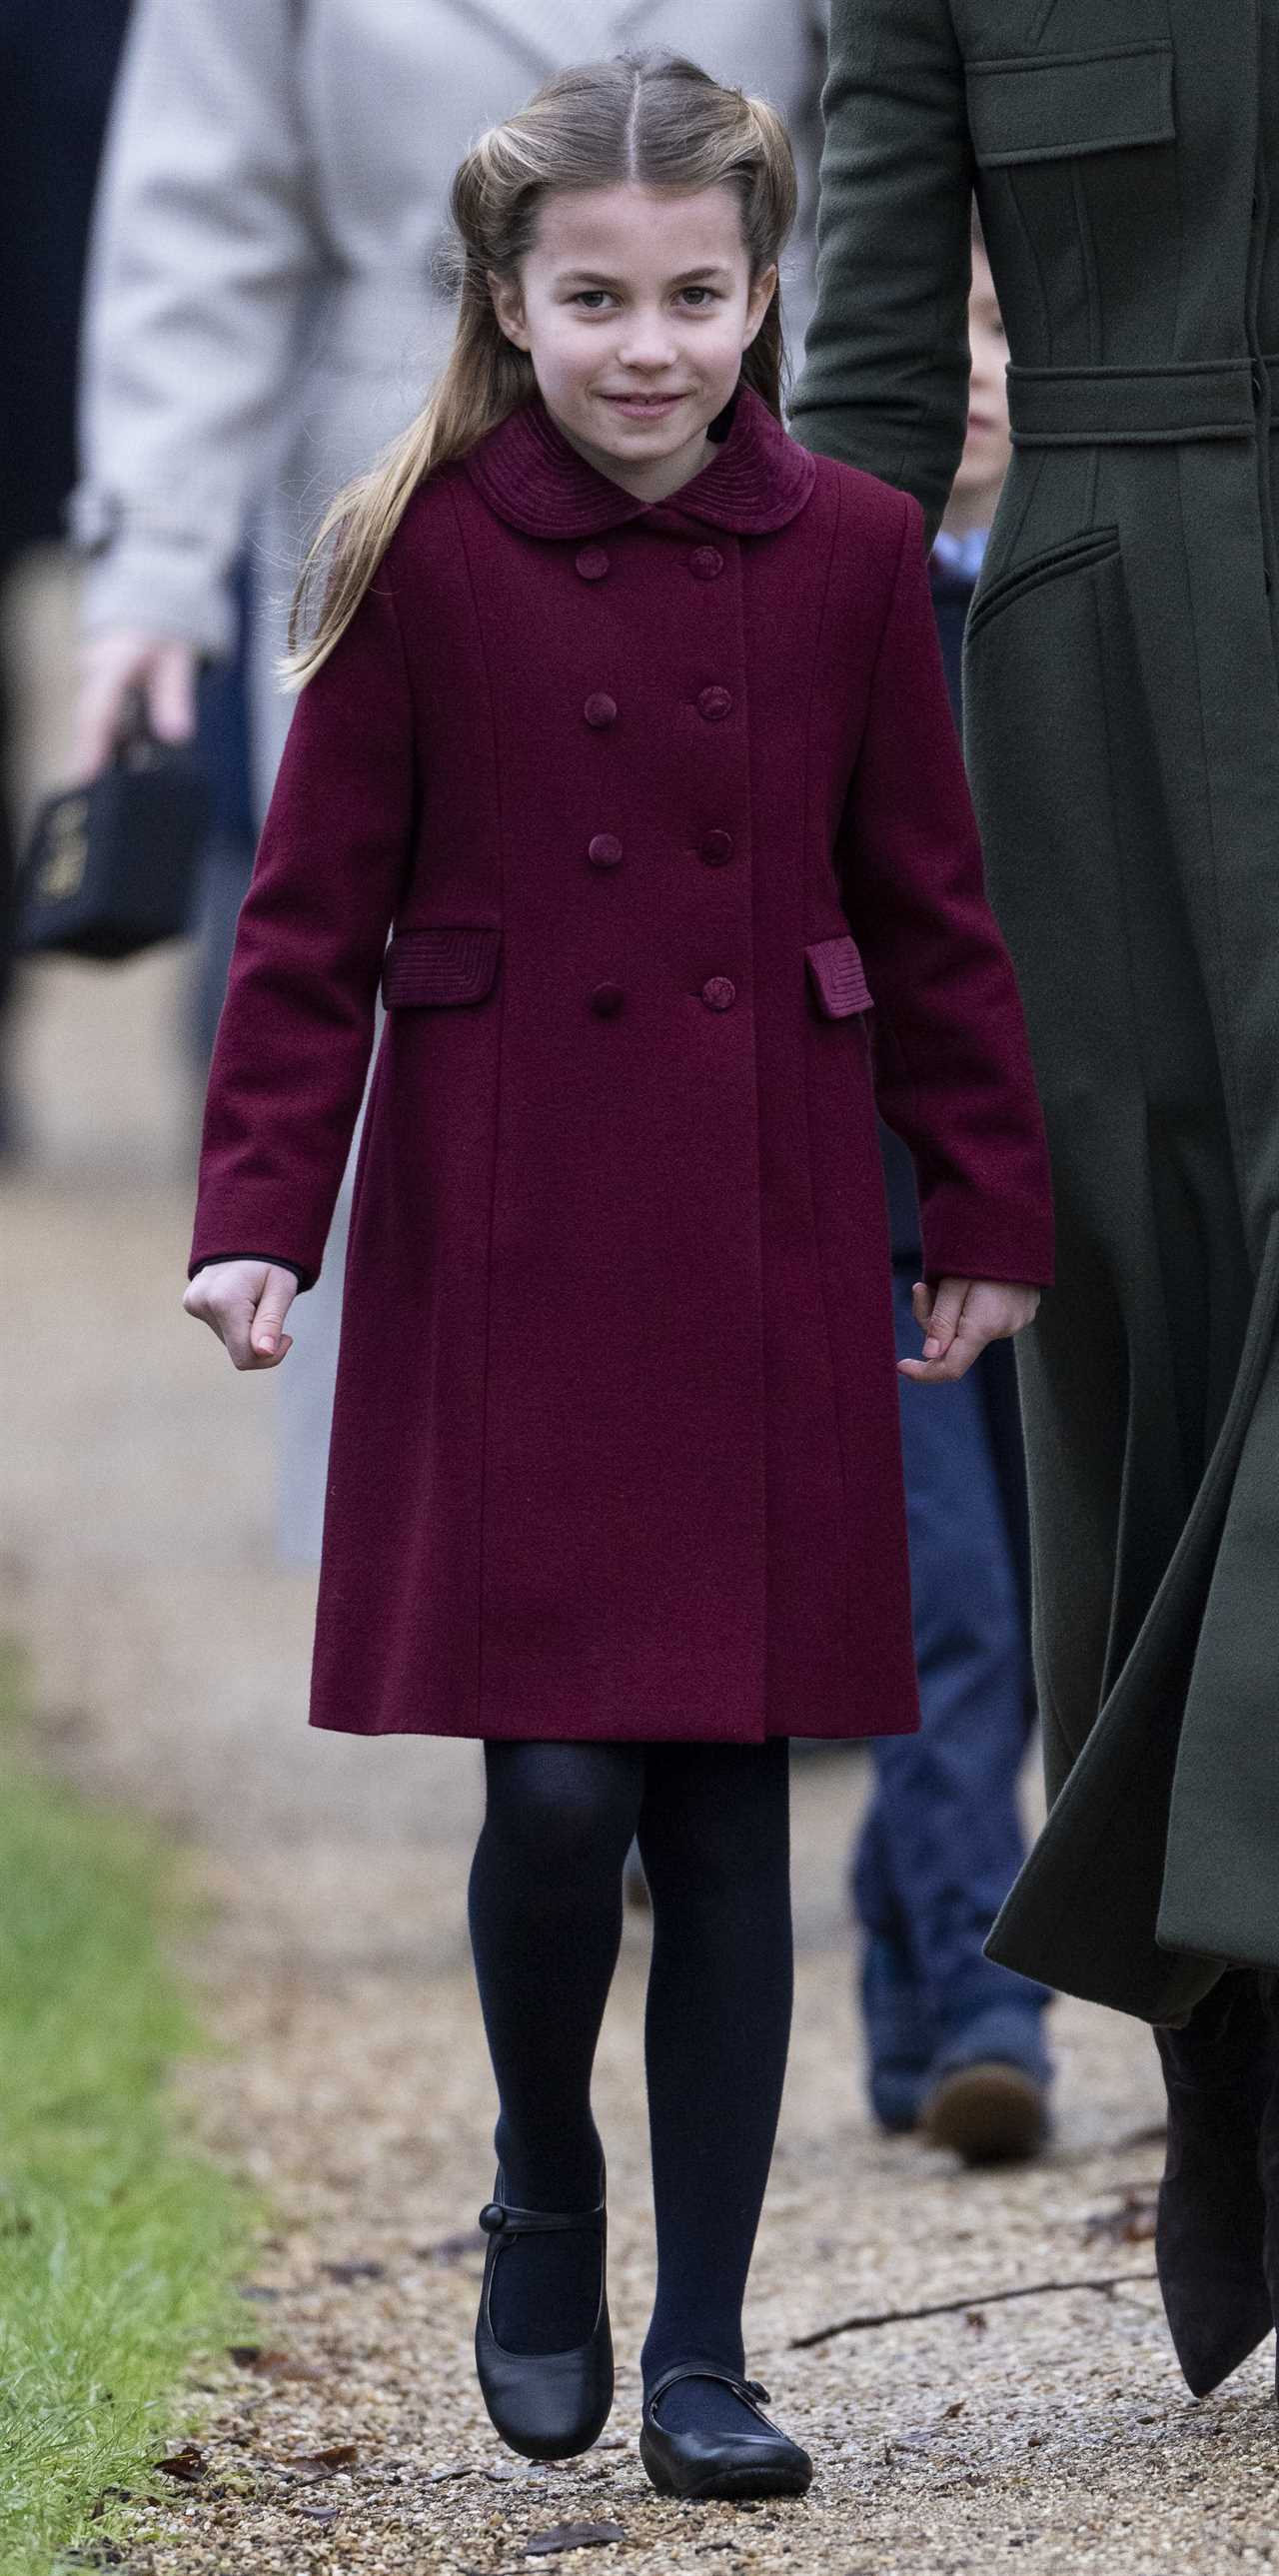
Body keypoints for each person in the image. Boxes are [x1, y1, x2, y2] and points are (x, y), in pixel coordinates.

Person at [182, 51, 1051, 2499]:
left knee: (727, 1808)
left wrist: (981, 1206)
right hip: (506, 1237)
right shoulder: (416, 548)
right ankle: (541, 2186)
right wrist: (262, 1214)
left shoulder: (864, 549)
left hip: (766, 1223)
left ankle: (700, 2340)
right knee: (557, 1793)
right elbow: (305, 931)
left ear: (765, 291)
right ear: (507, 296)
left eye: (692, 295)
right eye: (594, 298)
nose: (647, 343)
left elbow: (936, 919)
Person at [71, 0, 829, 1564]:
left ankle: (744, 1545)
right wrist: (151, 568)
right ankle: (458, 1556)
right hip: (397, 461)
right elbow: (199, 212)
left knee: (741, 989)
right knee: (429, 1003)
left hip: (745, 461)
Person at [791, 0, 1279, 2400]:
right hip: (1096, 682)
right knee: (1159, 1372)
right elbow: (870, 360)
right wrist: (760, 769)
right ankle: (1230, 2046)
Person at [858, 228, 1052, 2165]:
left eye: (1011, 328)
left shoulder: (1092, 611)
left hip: (1059, 1199)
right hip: (883, 1206)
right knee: (953, 1612)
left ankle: (905, 1978)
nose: (978, 371)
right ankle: (992, 2000)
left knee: (1028, 1614)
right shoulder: (841, 610)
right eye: (944, 326)